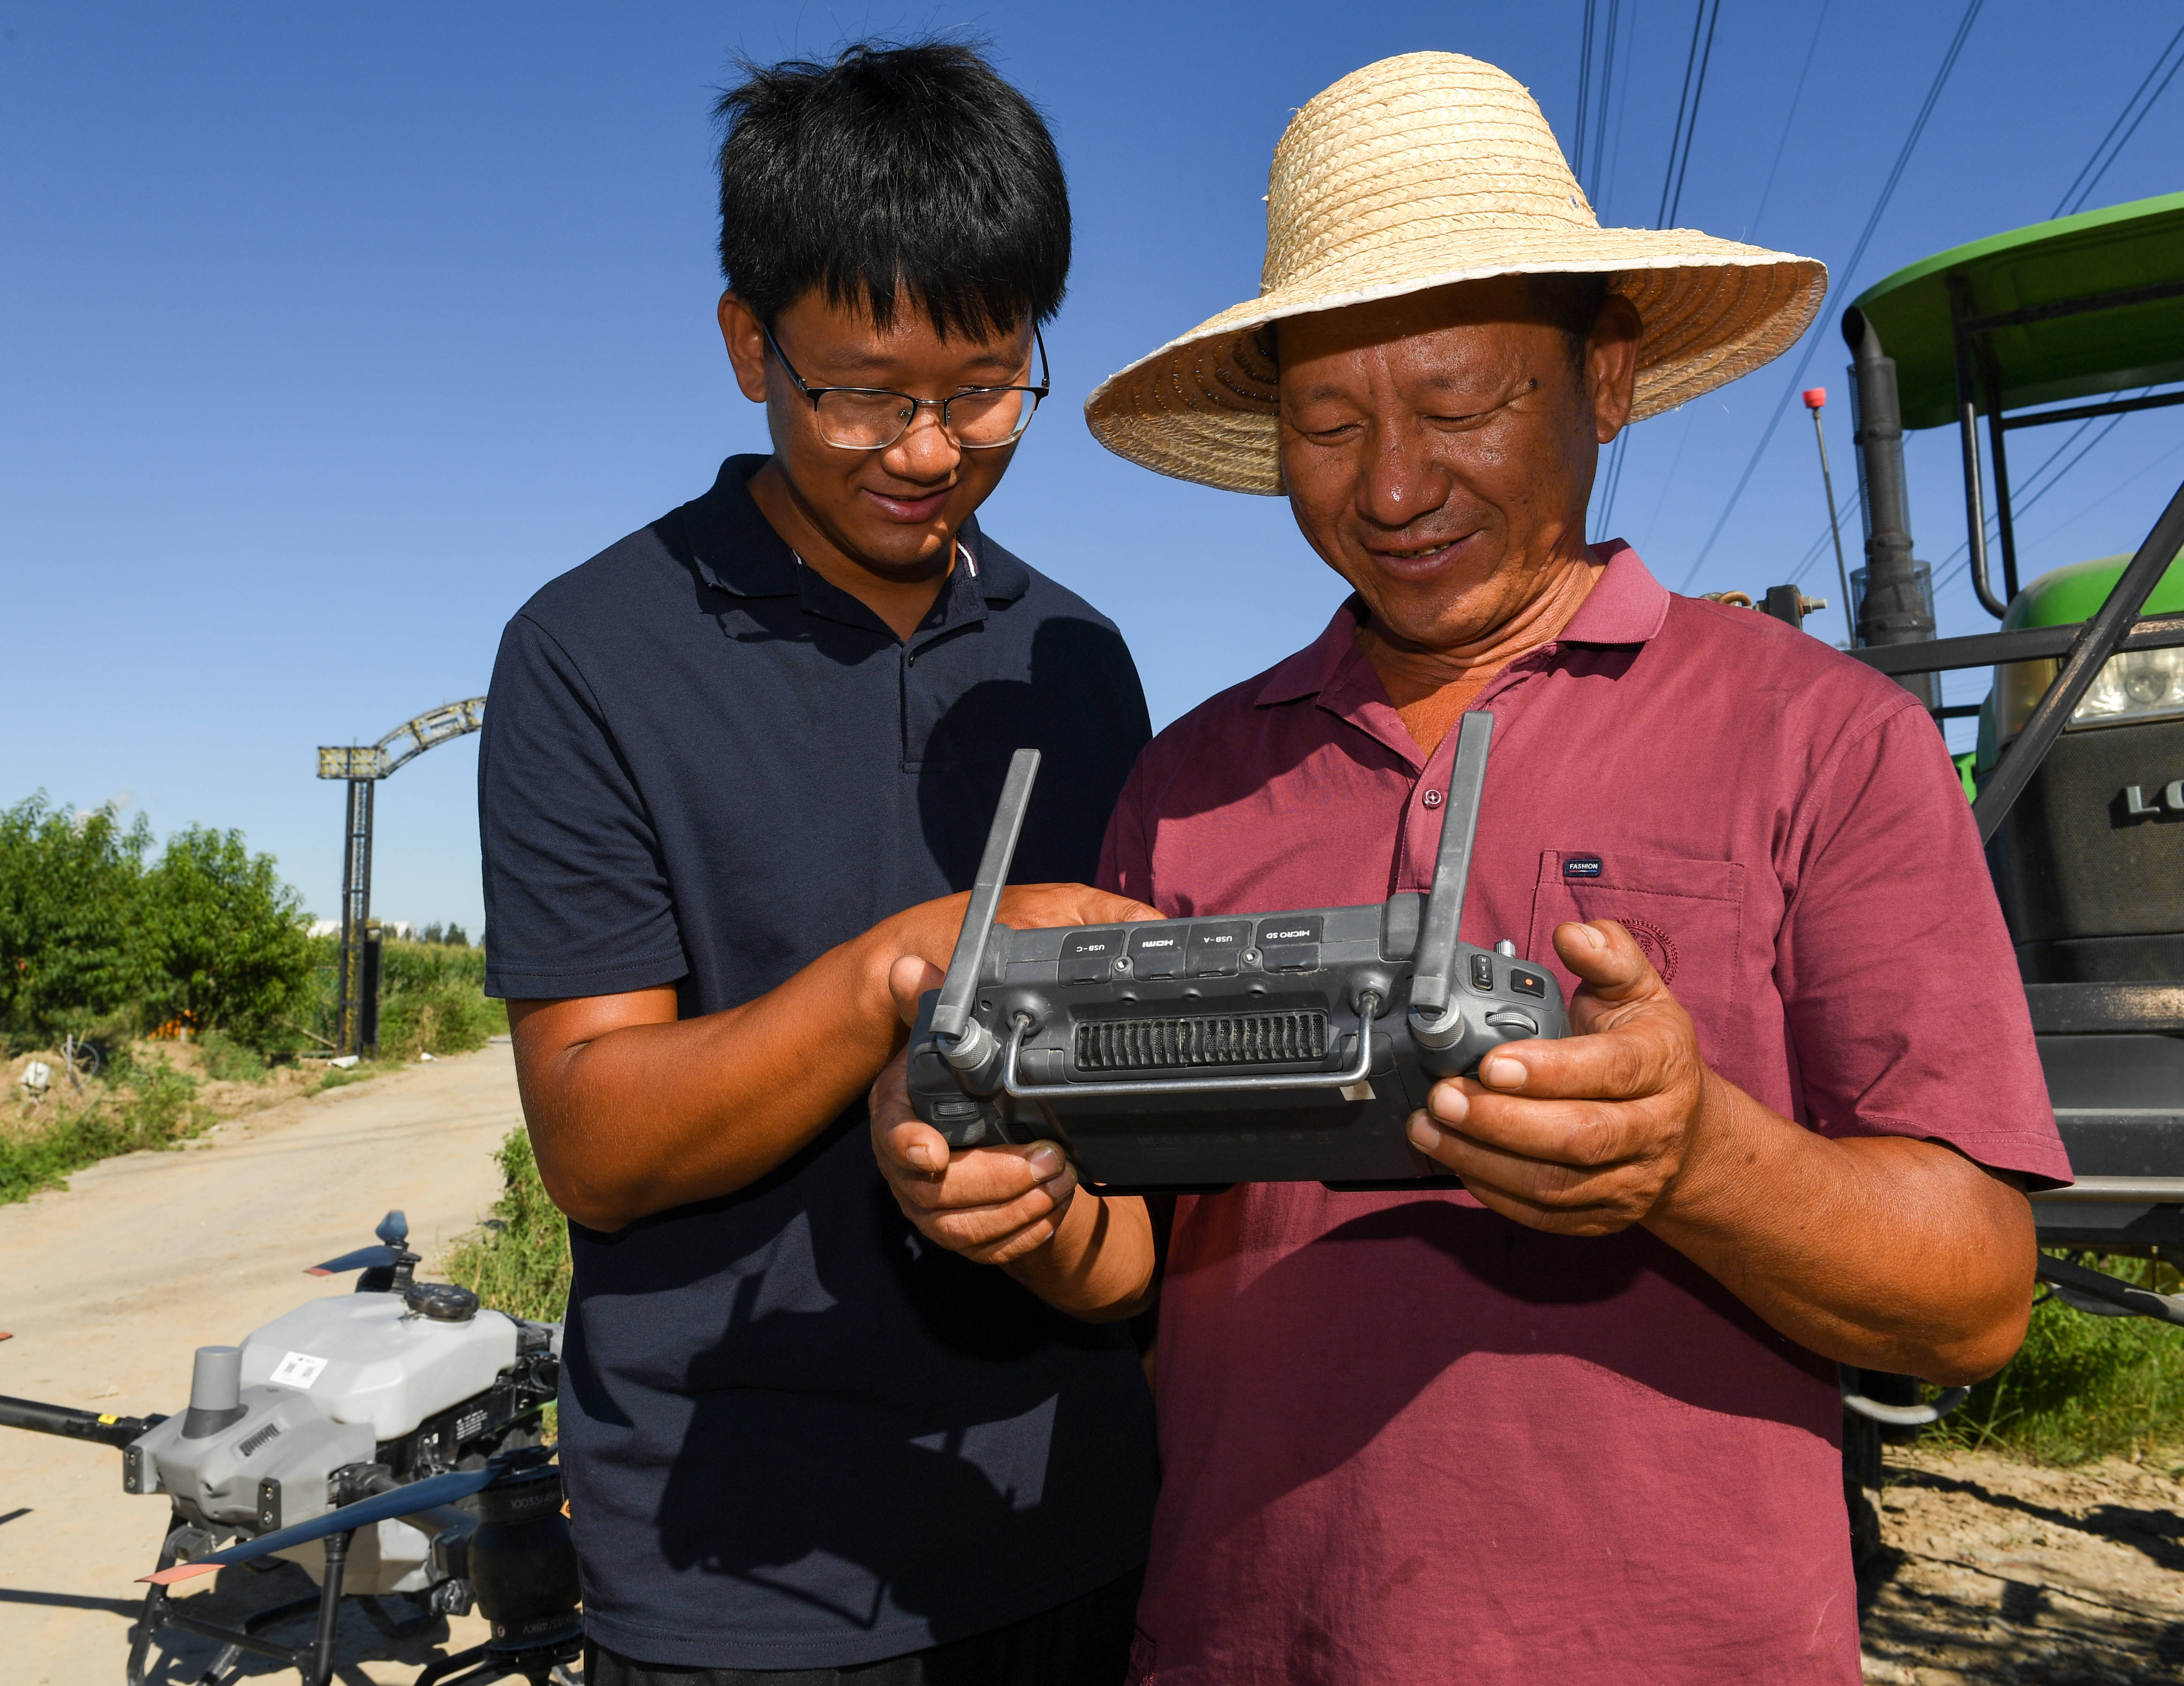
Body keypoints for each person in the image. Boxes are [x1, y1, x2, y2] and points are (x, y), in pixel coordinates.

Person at [869, 53, 2069, 1685]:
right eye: (1329, 422)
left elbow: (1973, 1300)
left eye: (1462, 404)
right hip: (1245, 1642)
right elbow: (1155, 1257)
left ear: (1610, 378)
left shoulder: (1821, 739)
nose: (1394, 487)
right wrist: (1013, 1205)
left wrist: (1697, 1154)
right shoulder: (1194, 782)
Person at [479, 39, 1160, 1686]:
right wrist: (904, 971)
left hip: (1081, 1516)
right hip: (743, 1572)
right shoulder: (589, 654)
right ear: (746, 346)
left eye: (987, 386)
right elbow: (596, 1140)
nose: (927, 451)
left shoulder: (1079, 659)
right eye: (863, 391)